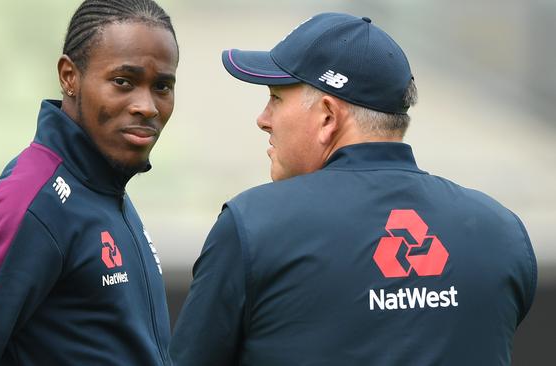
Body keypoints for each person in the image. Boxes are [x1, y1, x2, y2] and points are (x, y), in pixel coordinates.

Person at [170, 12, 537, 366]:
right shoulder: (503, 232)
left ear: (328, 117)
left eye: (276, 98)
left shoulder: (252, 226)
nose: (263, 119)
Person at [0, 0, 178, 365]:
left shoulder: (105, 189)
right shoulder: (28, 204)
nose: (147, 106)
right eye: (123, 82)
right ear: (69, 76)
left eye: (162, 86)